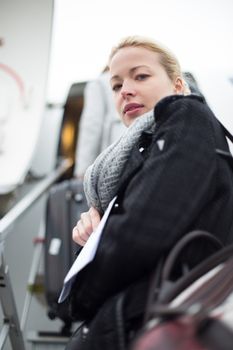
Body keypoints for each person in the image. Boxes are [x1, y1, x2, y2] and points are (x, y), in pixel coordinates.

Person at [64, 36, 233, 349]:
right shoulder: (137, 155)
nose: (125, 90)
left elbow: (139, 235)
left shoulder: (188, 117)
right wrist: (97, 232)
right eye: (115, 85)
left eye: (140, 76)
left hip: (152, 321)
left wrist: (78, 298)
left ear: (179, 86)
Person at [74, 68, 126, 178]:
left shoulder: (98, 83)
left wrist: (82, 171)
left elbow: (91, 127)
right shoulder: (137, 82)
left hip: (112, 157)